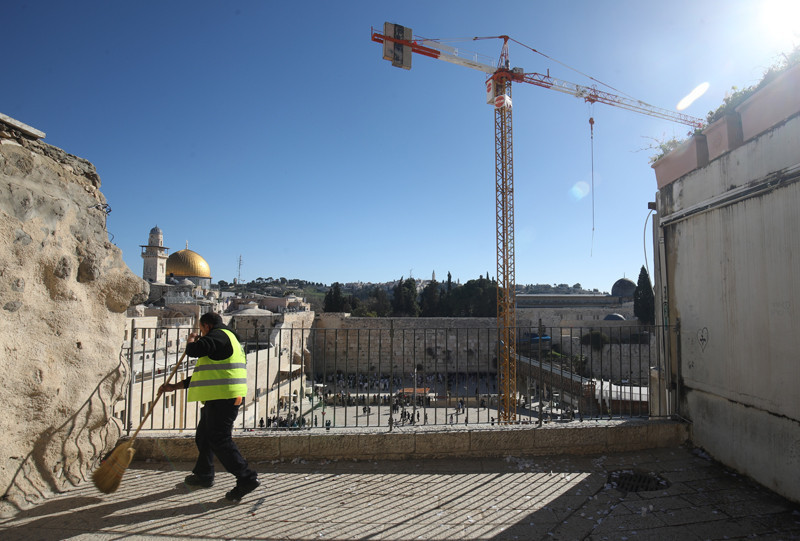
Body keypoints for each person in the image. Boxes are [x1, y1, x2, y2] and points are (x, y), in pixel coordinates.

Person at [159, 312, 260, 503]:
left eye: (201, 330)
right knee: (204, 436)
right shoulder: (230, 338)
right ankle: (204, 474)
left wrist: (190, 340)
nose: (201, 334)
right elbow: (204, 375)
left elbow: (195, 350)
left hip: (224, 397)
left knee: (219, 439)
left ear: (206, 326)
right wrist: (174, 387)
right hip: (220, 396)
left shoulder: (219, 336)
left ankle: (247, 478)